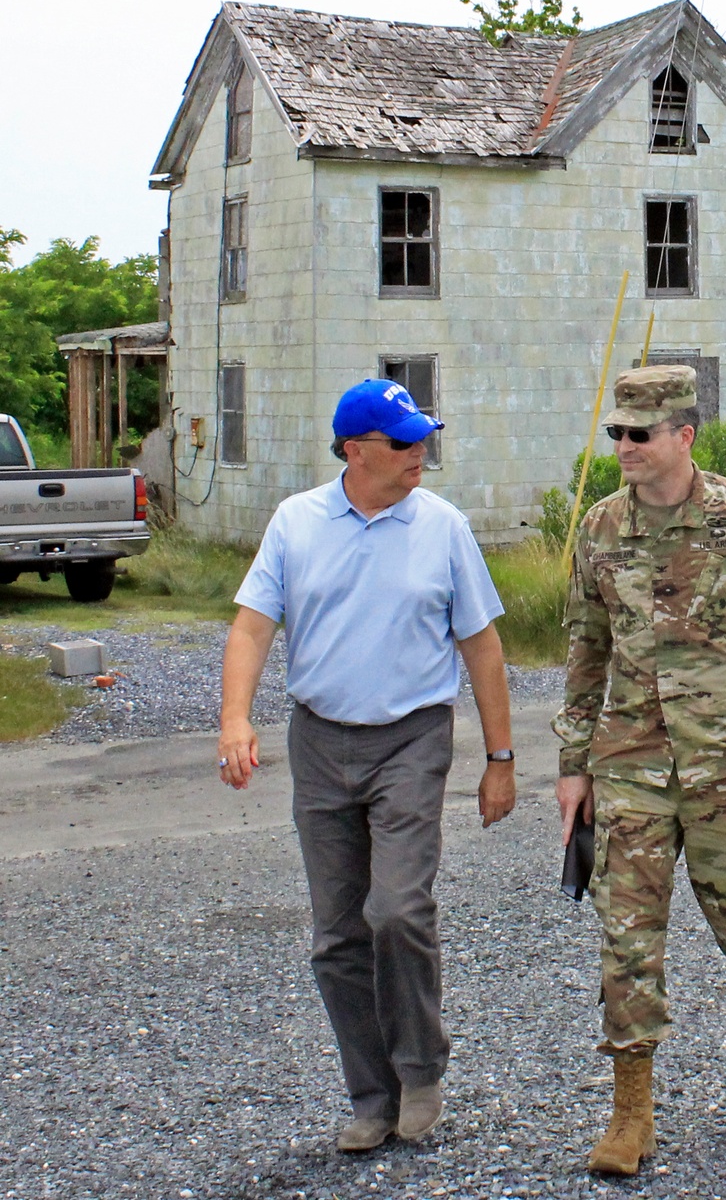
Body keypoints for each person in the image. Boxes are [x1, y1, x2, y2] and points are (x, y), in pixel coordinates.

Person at [217, 378, 517, 1152]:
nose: (421, 454)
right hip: (319, 742)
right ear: (355, 451)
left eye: (424, 440)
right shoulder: (297, 523)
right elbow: (252, 628)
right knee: (337, 935)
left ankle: (421, 1069)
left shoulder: (443, 527)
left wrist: (500, 758)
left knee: (397, 910)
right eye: (404, 443)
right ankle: (370, 1094)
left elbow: (482, 648)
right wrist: (235, 717)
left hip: (410, 739)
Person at [553, 364, 726, 1176]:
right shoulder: (602, 530)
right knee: (626, 932)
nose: (625, 448)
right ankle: (630, 1110)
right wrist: (572, 767)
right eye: (617, 434)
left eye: (640, 434)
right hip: (631, 763)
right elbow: (584, 652)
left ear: (684, 436)